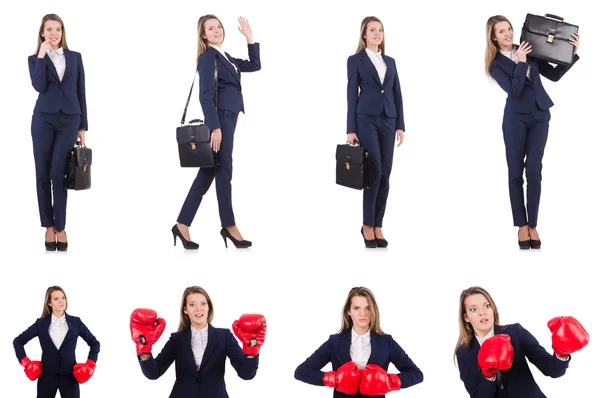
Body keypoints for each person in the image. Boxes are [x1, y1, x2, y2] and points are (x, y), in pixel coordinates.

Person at [485, 15, 580, 249]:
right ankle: (521, 226)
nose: (508, 33)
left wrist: (572, 53)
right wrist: (521, 62)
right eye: (501, 31)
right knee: (516, 172)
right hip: (515, 119)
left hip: (540, 115)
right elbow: (514, 90)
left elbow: (554, 75)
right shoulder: (496, 64)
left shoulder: (528, 47)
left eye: (509, 28)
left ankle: (534, 224)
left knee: (534, 170)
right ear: (494, 37)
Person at [172, 15, 261, 250]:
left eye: (219, 26)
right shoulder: (207, 58)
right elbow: (204, 96)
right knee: (224, 170)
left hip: (230, 115)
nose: (217, 30)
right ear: (203, 35)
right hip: (221, 118)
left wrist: (250, 38)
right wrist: (215, 127)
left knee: (209, 171)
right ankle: (229, 226)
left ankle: (182, 224)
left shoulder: (226, 57)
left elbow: (254, 65)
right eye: (211, 28)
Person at [130, 285, 266, 397]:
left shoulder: (224, 336)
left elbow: (246, 374)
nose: (198, 308)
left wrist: (252, 349)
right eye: (192, 304)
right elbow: (154, 373)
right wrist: (144, 348)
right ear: (185, 310)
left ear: (209, 307)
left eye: (203, 304)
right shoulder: (177, 339)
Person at [454, 286, 589, 397]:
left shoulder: (515, 332)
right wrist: (488, 376)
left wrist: (562, 353)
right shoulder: (463, 353)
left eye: (486, 306)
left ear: (493, 309)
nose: (482, 312)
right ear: (466, 317)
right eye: (473, 309)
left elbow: (551, 369)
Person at [28, 14, 88, 251]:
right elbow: (39, 85)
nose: (54, 34)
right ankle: (48, 227)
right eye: (49, 30)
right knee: (43, 173)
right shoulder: (35, 59)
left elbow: (81, 90)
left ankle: (61, 226)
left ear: (63, 33)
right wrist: (42, 54)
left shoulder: (75, 57)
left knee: (58, 173)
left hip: (70, 120)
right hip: (43, 120)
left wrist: (83, 126)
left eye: (58, 29)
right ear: (42, 34)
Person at [294, 287, 423, 396]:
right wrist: (334, 379)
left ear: (373, 311)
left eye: (368, 308)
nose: (363, 313)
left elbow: (416, 374)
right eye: (356, 308)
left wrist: (389, 381)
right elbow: (301, 371)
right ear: (349, 312)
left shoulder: (386, 342)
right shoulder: (335, 342)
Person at [346, 16, 405, 248]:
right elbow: (351, 94)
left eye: (380, 30)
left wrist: (401, 123)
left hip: (389, 119)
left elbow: (397, 92)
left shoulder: (390, 61)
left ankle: (378, 224)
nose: (377, 33)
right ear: (364, 34)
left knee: (386, 173)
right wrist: (350, 129)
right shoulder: (355, 60)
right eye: (372, 30)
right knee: (374, 171)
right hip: (366, 119)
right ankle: (367, 225)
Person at [13, 286, 100, 398]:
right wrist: (25, 363)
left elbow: (94, 343)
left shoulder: (76, 322)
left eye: (63, 297)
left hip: (70, 377)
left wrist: (90, 364)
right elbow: (18, 341)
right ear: (49, 303)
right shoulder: (41, 324)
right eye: (56, 299)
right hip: (47, 377)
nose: (61, 301)